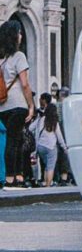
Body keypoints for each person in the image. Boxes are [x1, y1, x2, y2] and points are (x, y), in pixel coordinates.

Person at [0, 19, 35, 188]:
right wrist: (31, 105)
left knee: (16, 139)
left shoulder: (2, 59)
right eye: (19, 33)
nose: (21, 36)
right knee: (15, 141)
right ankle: (11, 178)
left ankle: (18, 177)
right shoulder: (19, 56)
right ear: (15, 36)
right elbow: (25, 84)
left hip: (3, 106)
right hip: (18, 104)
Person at [30, 103, 67, 188]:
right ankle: (48, 185)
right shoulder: (55, 122)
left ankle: (45, 182)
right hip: (51, 147)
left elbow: (30, 128)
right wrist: (64, 148)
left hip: (40, 147)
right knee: (50, 167)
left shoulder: (40, 119)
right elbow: (59, 137)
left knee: (47, 165)